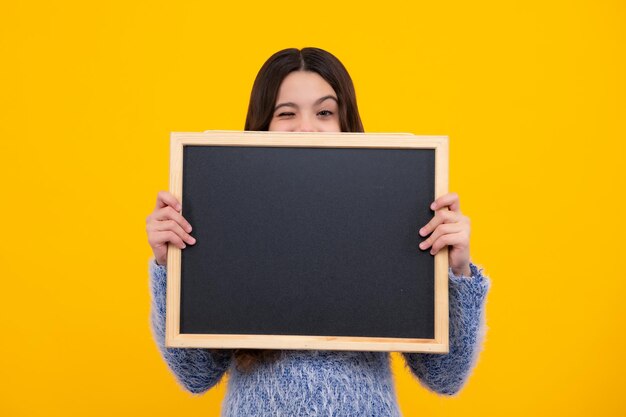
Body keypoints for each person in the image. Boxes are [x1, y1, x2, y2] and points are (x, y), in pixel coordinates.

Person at [146, 47, 490, 416]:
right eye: (286, 113)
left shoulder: (396, 214)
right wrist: (172, 265)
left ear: (345, 123)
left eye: (325, 112)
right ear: (263, 124)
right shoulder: (222, 218)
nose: (306, 128)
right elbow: (195, 376)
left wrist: (458, 272)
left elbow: (445, 378)